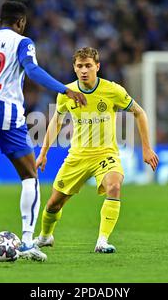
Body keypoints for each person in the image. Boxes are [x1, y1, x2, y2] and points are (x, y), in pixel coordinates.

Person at [0, 1, 87, 264]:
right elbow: (32, 70)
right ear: (21, 22)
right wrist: (65, 89)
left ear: (0, 20)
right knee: (30, 177)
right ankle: (26, 241)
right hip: (9, 117)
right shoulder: (23, 43)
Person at [33, 47, 159, 253]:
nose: (84, 70)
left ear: (97, 67)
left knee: (115, 186)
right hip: (78, 156)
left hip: (105, 154)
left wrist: (146, 148)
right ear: (74, 68)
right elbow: (56, 121)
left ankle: (102, 241)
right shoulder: (66, 93)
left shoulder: (112, 90)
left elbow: (139, 113)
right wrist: (43, 152)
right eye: (80, 66)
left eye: (88, 66)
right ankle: (45, 236)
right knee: (54, 204)